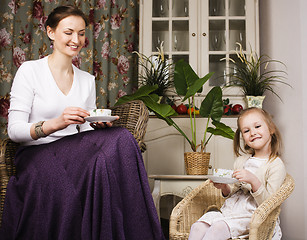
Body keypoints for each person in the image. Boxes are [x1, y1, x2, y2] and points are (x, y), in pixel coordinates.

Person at [0, 5, 165, 240]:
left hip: (74, 154)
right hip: (36, 156)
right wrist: (55, 123)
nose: (76, 40)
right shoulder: (30, 71)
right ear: (50, 32)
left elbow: (85, 129)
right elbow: (14, 131)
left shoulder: (87, 80)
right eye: (68, 32)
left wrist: (97, 126)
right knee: (115, 143)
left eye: (81, 33)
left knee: (118, 137)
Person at [188, 107, 286, 240]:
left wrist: (253, 180)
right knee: (197, 227)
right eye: (246, 130)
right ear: (243, 137)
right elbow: (234, 193)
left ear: (271, 129)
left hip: (252, 217)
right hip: (229, 212)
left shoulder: (275, 165)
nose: (253, 133)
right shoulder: (241, 161)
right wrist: (224, 188)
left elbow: (270, 204)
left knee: (217, 229)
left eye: (257, 126)